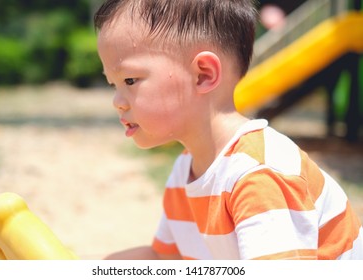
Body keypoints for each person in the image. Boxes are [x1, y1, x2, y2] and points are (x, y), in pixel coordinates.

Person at [94, 0, 363, 260]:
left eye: (129, 80)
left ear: (203, 74)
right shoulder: (185, 170)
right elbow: (166, 258)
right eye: (113, 85)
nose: (117, 102)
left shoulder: (259, 173)